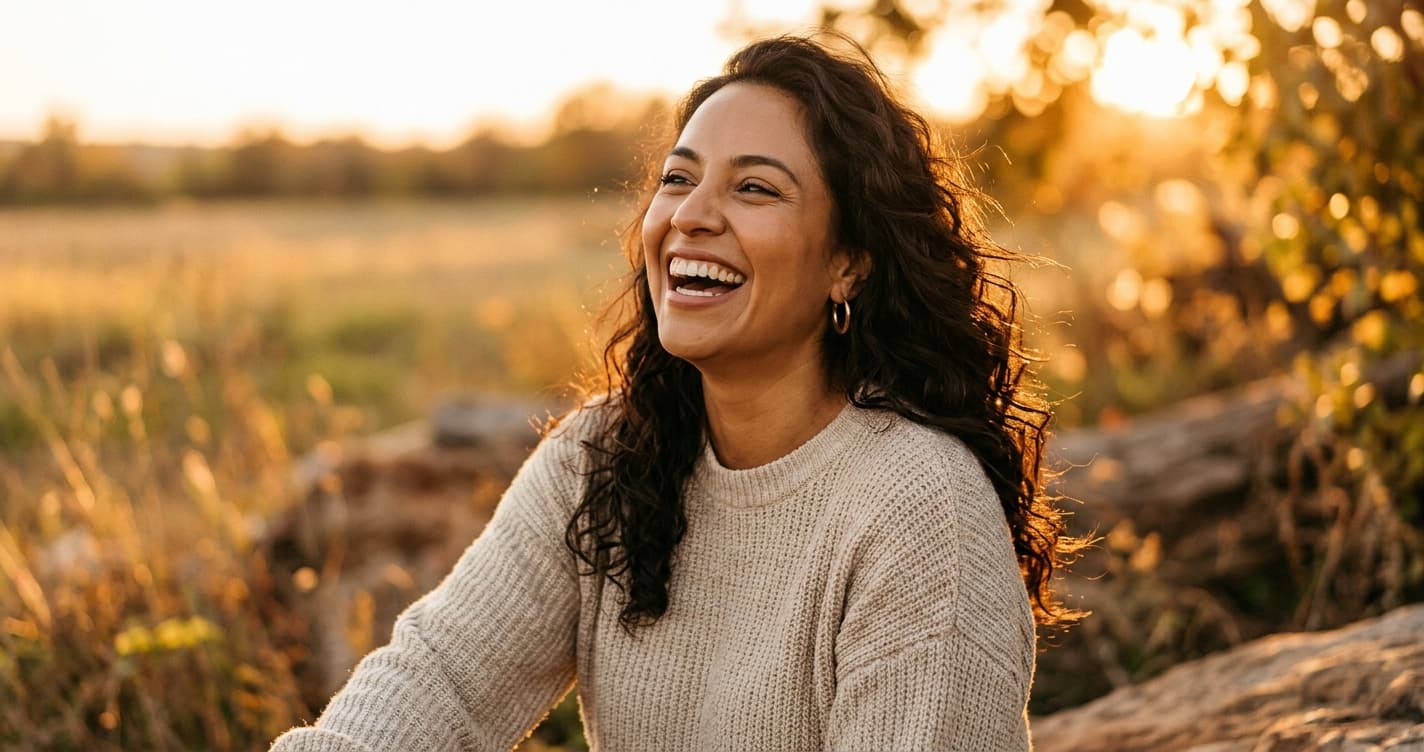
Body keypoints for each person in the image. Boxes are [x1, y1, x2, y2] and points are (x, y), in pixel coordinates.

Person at [271, 33, 1078, 752]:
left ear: (850, 263)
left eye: (754, 189)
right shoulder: (601, 456)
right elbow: (441, 680)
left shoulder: (916, 507)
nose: (691, 216)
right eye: (677, 180)